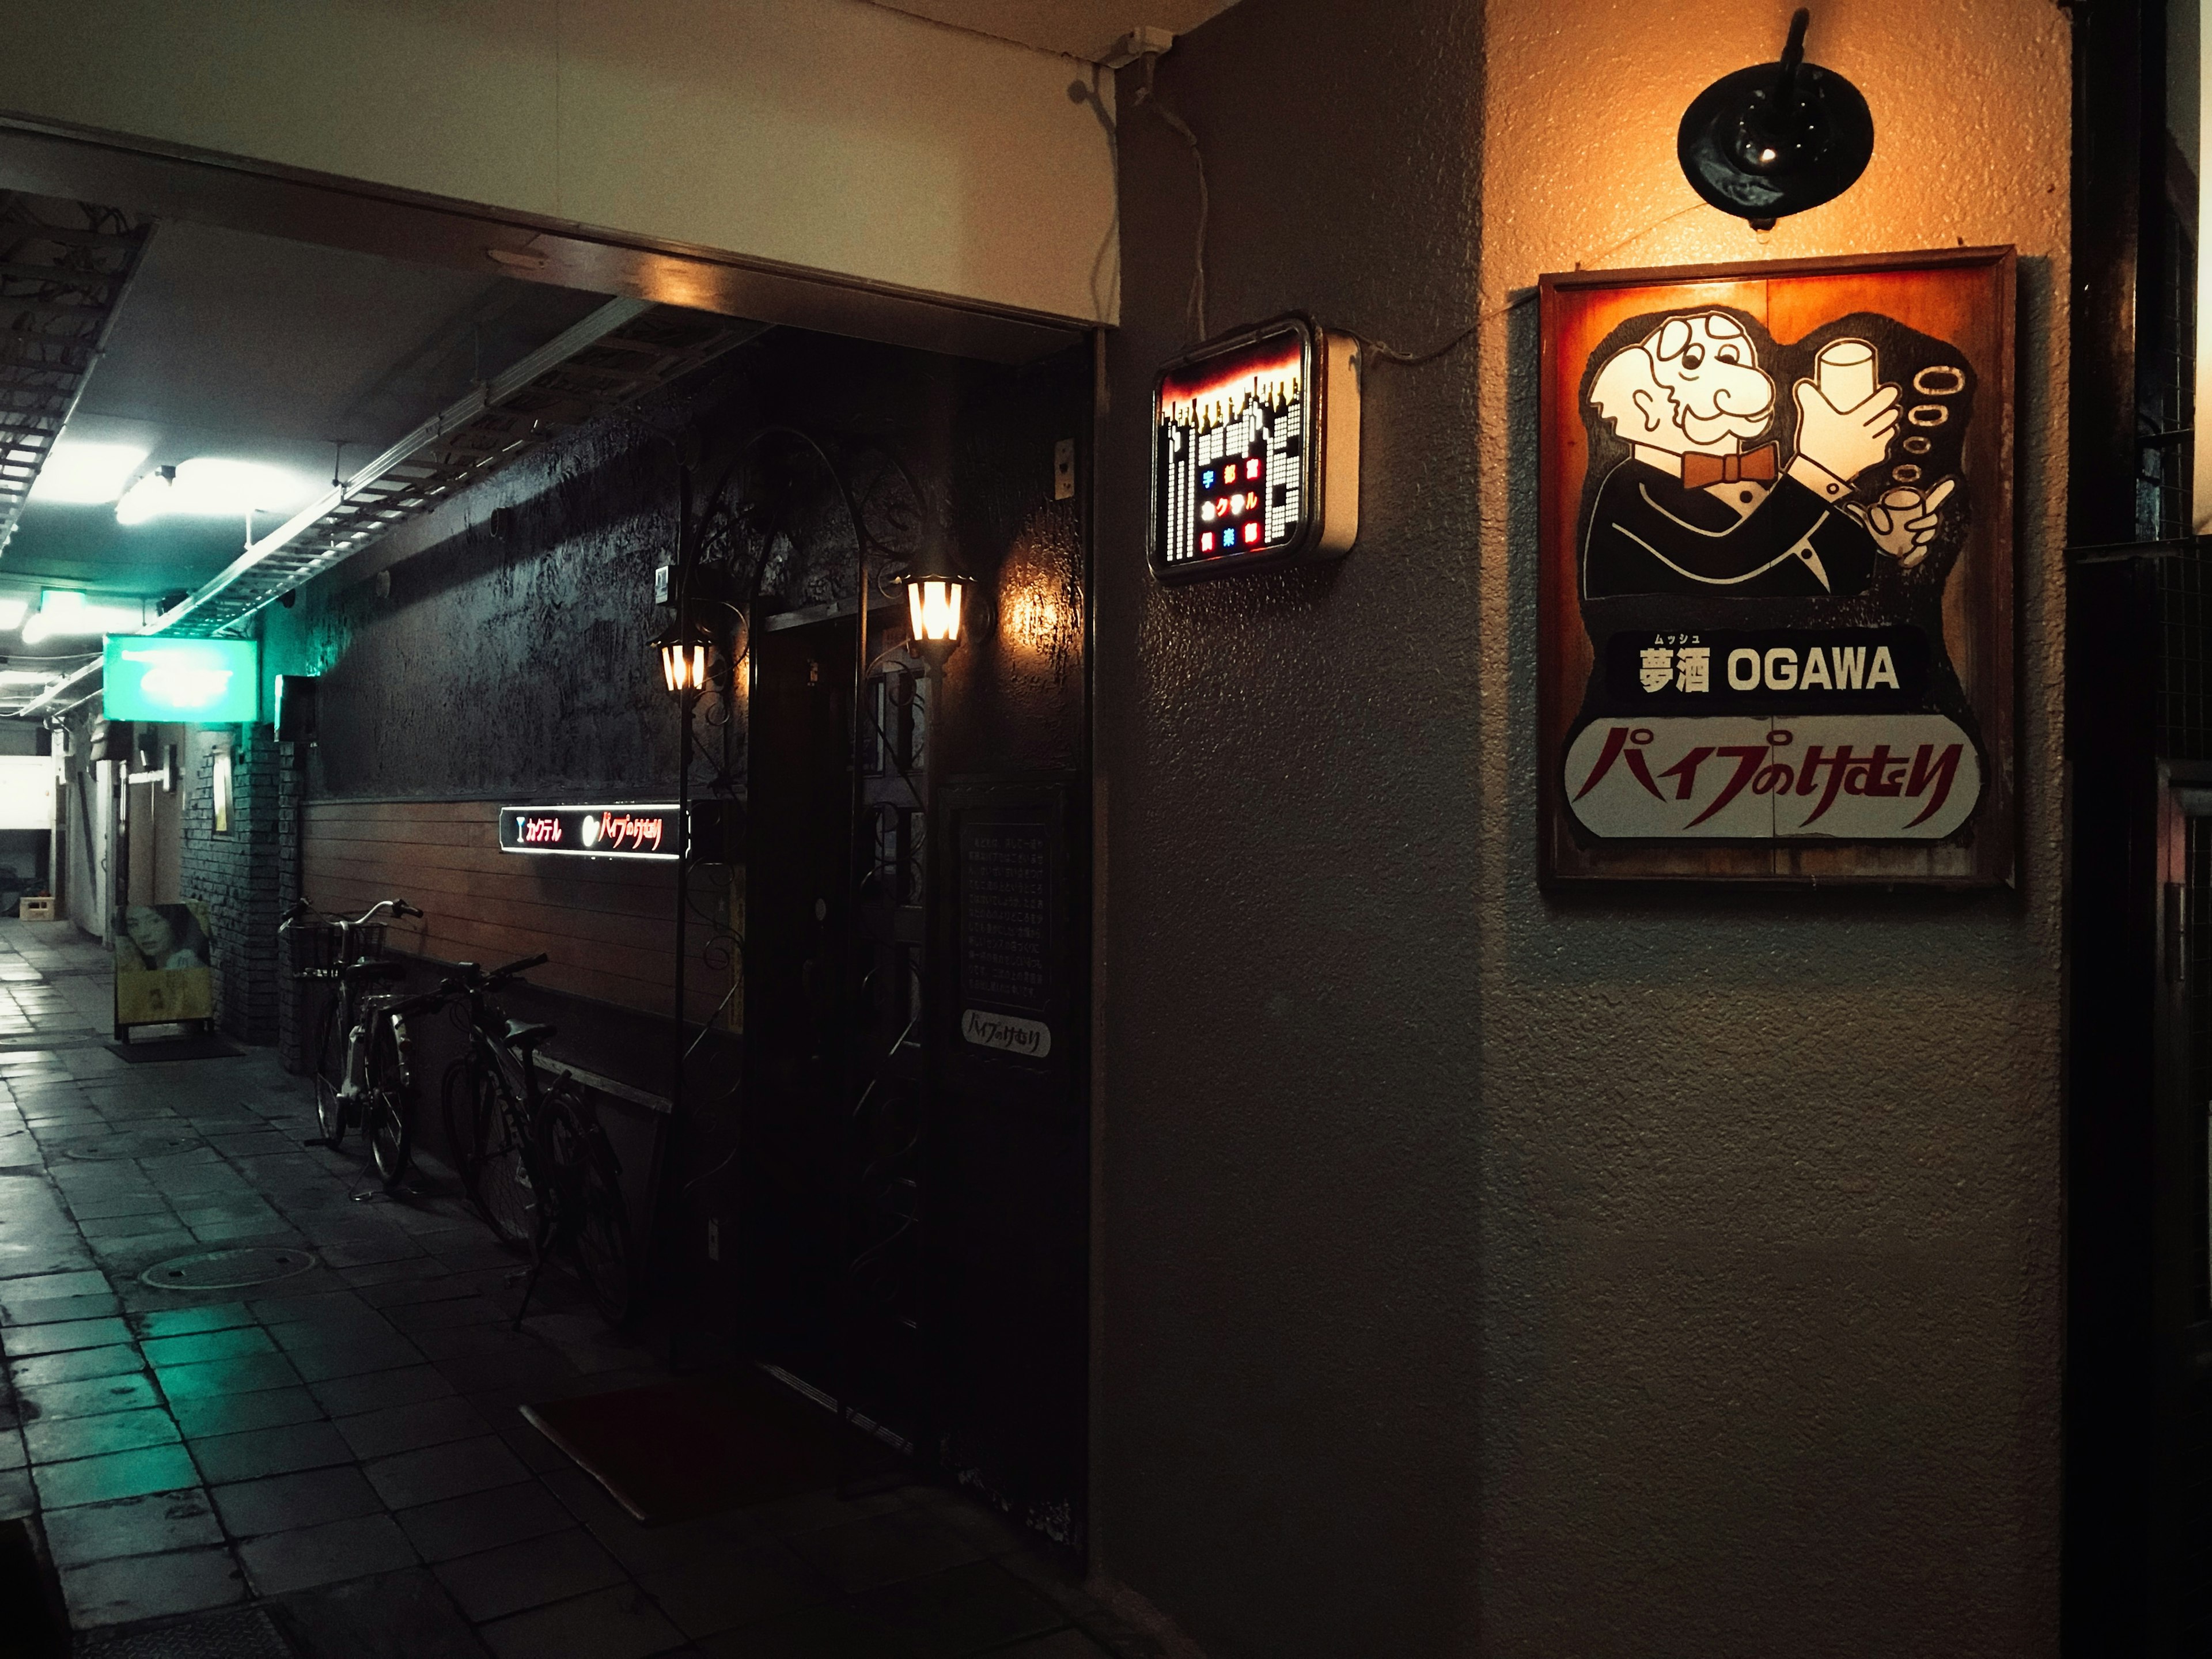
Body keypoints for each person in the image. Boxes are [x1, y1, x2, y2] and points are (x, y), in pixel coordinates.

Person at [1581, 311, 1949, 599]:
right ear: (1644, 402)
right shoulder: (1629, 491)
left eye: (1733, 356)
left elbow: (1832, 572)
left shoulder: (1771, 484)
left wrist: (1884, 543)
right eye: (1693, 362)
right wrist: (1820, 469)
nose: (1734, 372)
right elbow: (1723, 563)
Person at [118, 904, 208, 971]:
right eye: (133, 925)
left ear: (173, 920)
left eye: (155, 921)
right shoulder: (135, 966)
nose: (143, 933)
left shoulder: (192, 965)